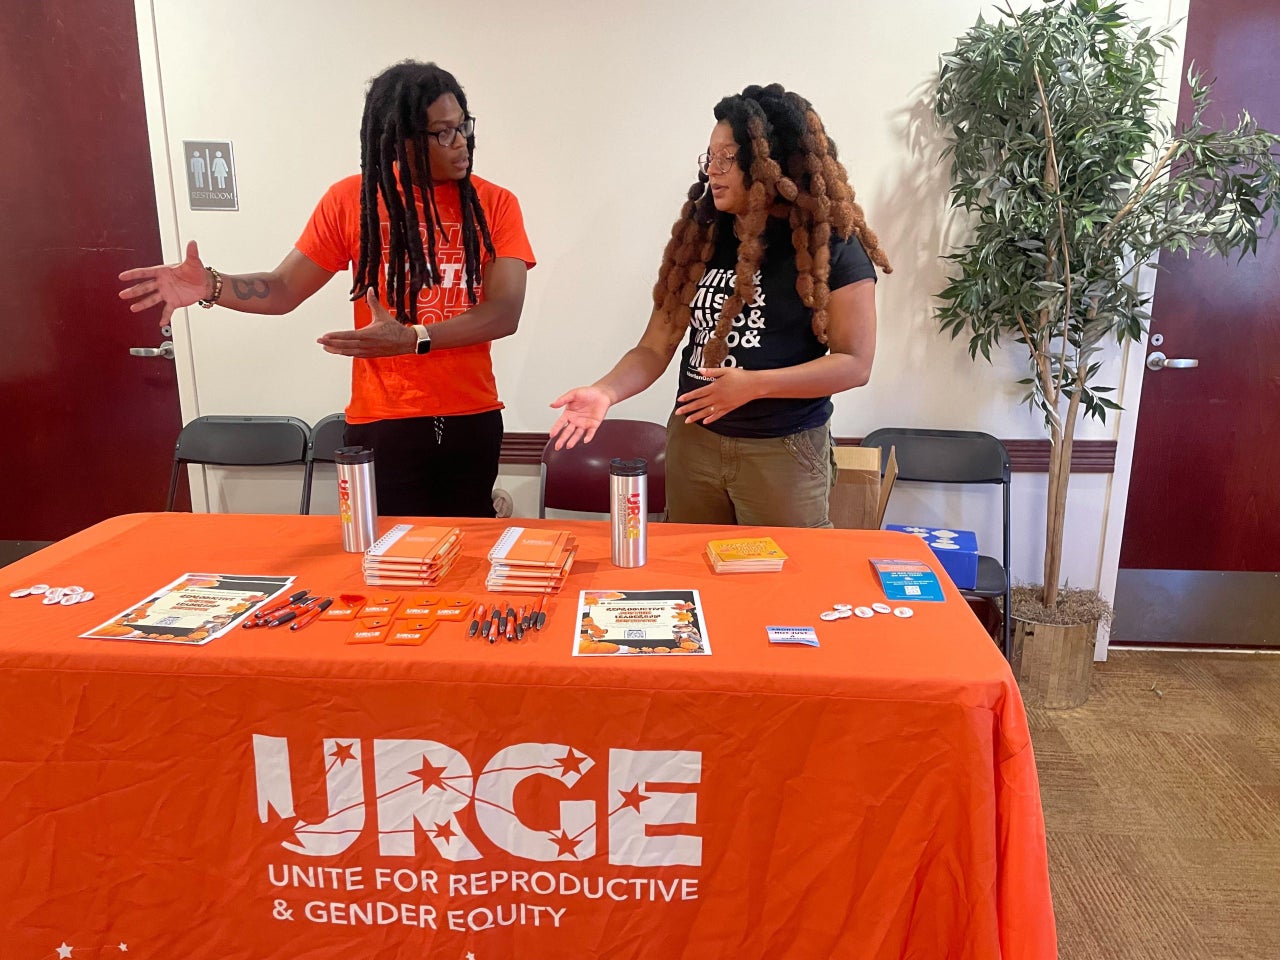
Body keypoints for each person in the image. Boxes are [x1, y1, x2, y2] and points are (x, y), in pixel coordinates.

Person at [119, 61, 535, 518]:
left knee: (469, 549)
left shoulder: (495, 204)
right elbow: (283, 288)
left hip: (472, 418)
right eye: (443, 132)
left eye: (463, 126)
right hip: (384, 422)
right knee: (386, 552)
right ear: (401, 141)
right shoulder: (351, 201)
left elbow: (504, 312)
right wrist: (212, 285)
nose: (461, 142)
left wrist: (412, 338)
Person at [549, 83, 890, 527]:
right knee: (692, 563)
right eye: (709, 157)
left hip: (781, 448)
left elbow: (855, 363)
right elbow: (654, 347)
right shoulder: (703, 236)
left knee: (780, 569)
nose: (713, 169)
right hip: (694, 442)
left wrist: (754, 385)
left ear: (772, 160)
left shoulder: (830, 245)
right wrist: (605, 391)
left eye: (727, 157)